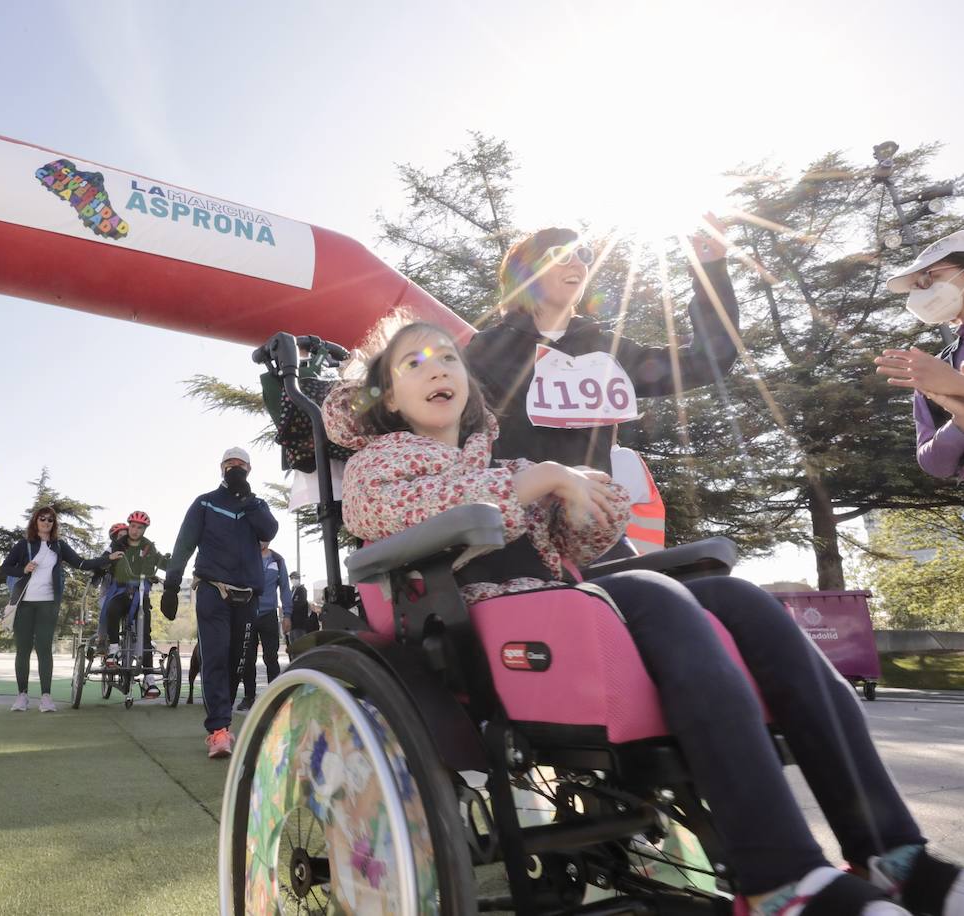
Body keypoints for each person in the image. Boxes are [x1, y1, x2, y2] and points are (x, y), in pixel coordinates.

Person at [322, 316, 960, 916]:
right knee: (653, 597)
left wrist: (589, 505)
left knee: (744, 601)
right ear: (387, 398)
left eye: (448, 358)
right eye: (414, 362)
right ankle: (779, 877)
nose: (438, 369)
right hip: (472, 622)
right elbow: (384, 517)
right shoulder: (381, 464)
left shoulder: (506, 462)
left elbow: (571, 551)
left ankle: (893, 857)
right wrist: (536, 481)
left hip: (557, 603)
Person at [464, 219, 739, 477]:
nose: (577, 265)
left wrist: (711, 274)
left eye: (583, 255)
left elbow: (707, 361)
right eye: (562, 256)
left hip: (592, 518)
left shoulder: (607, 351)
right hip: (516, 515)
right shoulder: (487, 351)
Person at [161, 447, 278, 759]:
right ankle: (219, 730)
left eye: (240, 465)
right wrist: (172, 586)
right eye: (229, 464)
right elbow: (183, 544)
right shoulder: (205, 502)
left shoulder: (257, 505)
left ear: (249, 470)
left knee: (237, 663)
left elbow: (269, 530)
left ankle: (222, 718)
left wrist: (248, 498)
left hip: (248, 596)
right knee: (214, 657)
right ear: (221, 468)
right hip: (214, 590)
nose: (234, 468)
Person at [2, 506, 115, 712]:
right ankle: (22, 696)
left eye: (50, 520)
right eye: (42, 519)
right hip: (24, 604)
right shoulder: (23, 545)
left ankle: (46, 697)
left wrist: (108, 558)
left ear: (54, 524)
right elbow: (6, 567)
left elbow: (81, 563)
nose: (46, 522)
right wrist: (23, 569)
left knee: (45, 649)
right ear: (35, 521)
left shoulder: (59, 546)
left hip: (48, 604)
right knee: (23, 650)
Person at [874, 229, 964, 481]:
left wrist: (959, 387)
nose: (920, 294)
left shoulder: (938, 373)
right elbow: (934, 463)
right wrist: (958, 425)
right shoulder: (933, 369)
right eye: (915, 288)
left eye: (927, 278)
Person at [98, 511, 167, 698]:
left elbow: (162, 562)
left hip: (140, 594)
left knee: (145, 634)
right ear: (129, 526)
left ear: (145, 530)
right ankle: (113, 649)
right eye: (133, 526)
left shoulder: (148, 547)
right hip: (121, 591)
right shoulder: (117, 544)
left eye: (140, 527)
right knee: (112, 609)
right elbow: (104, 561)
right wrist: (106, 562)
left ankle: (149, 678)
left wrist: (172, 564)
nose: (135, 530)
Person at [237, 542, 291, 709]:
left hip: (269, 616)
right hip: (248, 613)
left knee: (271, 657)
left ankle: (273, 697)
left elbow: (285, 588)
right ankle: (249, 697)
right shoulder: (246, 556)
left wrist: (287, 615)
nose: (262, 540)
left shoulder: (278, 560)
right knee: (247, 658)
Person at [285, 570, 316, 654]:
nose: (292, 580)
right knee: (293, 646)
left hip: (299, 623)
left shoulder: (302, 590)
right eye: (291, 578)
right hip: (292, 623)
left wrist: (290, 607)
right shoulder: (292, 591)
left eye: (294, 578)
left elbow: (299, 604)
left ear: (298, 578)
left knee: (300, 646)